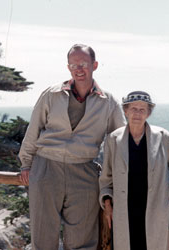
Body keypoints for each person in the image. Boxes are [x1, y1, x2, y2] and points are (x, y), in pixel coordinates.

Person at [18, 44, 126, 250]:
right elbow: (34, 129)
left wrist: (114, 180)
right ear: (68, 67)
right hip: (46, 167)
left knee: (83, 240)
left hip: (85, 171)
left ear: (94, 65)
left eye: (83, 64)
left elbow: (119, 141)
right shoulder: (51, 94)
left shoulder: (108, 102)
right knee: (42, 238)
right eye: (73, 64)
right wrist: (26, 164)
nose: (78, 69)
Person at [99, 91, 169, 250]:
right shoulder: (113, 139)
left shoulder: (163, 136)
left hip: (157, 208)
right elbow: (106, 178)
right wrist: (107, 202)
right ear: (125, 111)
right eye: (133, 108)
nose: (137, 113)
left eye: (142, 110)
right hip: (125, 211)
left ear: (148, 113)